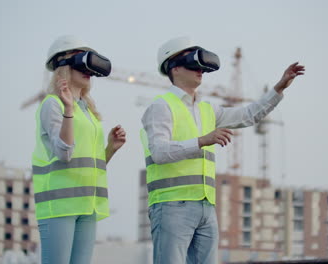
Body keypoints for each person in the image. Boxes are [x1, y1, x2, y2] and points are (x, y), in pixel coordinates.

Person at [140, 36, 305, 264]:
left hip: (206, 207)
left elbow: (249, 115)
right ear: (174, 68)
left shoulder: (207, 109)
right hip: (171, 206)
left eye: (202, 66)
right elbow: (158, 151)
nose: (201, 71)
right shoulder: (161, 106)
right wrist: (201, 140)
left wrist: (278, 88)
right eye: (193, 64)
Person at [32, 35, 126, 264]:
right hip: (60, 206)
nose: (88, 70)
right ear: (63, 65)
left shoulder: (88, 111)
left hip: (88, 204)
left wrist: (110, 149)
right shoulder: (52, 104)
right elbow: (64, 153)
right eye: (82, 60)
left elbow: (89, 164)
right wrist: (67, 109)